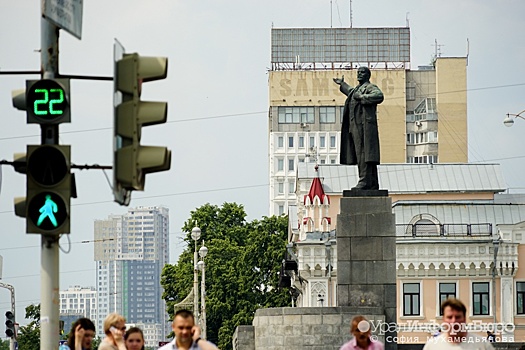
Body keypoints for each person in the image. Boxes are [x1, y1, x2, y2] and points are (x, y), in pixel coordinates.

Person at [333, 67, 384, 190]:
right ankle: (372, 182)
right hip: (355, 126)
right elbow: (351, 91)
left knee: (364, 154)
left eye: (362, 72)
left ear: (368, 75)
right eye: (358, 72)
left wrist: (362, 97)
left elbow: (379, 96)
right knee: (362, 154)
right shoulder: (357, 89)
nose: (359, 74)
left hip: (364, 127)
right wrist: (342, 84)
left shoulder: (369, 87)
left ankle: (364, 181)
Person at [423, 298, 494, 350]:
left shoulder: (482, 345)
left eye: (458, 317)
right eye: (449, 317)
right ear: (443, 319)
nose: (454, 321)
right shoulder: (432, 346)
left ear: (464, 318)